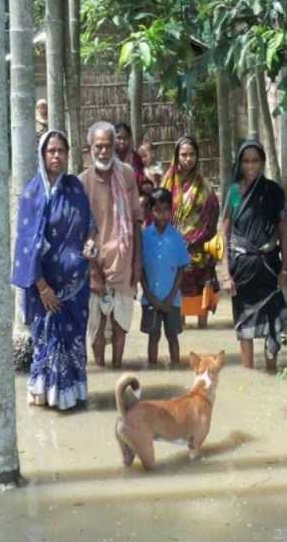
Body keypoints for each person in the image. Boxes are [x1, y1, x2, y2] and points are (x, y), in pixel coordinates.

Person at [11, 129, 97, 411]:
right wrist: (42, 287)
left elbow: (90, 226)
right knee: (45, 342)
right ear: (42, 154)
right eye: (52, 151)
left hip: (76, 288)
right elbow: (25, 246)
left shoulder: (75, 189)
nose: (57, 156)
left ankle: (72, 394)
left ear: (68, 154)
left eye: (61, 151)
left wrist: (91, 243)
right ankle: (43, 394)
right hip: (44, 291)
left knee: (73, 342)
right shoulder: (32, 194)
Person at [219, 139, 287, 371]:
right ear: (240, 164)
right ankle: (249, 376)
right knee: (245, 326)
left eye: (255, 161)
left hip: (268, 266)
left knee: (272, 323)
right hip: (242, 269)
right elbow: (225, 231)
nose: (250, 166)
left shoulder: (272, 191)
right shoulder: (236, 192)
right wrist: (225, 272)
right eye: (246, 161)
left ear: (262, 163)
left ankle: (272, 371)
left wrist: (285, 267)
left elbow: (283, 231)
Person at [78, 121, 143, 369]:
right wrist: (92, 270)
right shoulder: (81, 182)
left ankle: (117, 370)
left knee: (120, 323)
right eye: (98, 147)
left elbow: (136, 219)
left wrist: (138, 262)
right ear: (90, 148)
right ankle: (101, 370)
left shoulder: (126, 174)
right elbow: (81, 230)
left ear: (116, 146)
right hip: (93, 262)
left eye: (108, 146)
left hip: (123, 261)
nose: (103, 152)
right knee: (95, 327)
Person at [160, 135, 221, 329]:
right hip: (173, 252)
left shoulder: (205, 188)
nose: (188, 159)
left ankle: (203, 339)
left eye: (192, 154)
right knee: (178, 307)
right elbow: (159, 215)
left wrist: (192, 241)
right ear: (176, 156)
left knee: (202, 308)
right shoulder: (167, 185)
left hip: (200, 252)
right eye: (184, 155)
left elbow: (211, 218)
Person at [140, 188, 191, 367]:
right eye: (157, 211)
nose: (162, 215)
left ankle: (176, 367)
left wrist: (170, 297)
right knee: (153, 337)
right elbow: (140, 271)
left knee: (172, 337)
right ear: (150, 211)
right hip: (150, 299)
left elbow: (181, 270)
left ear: (171, 211)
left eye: (166, 210)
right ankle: (153, 368)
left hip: (173, 300)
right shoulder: (144, 237)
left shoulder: (176, 237)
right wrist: (150, 296)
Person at [113, 121, 148, 190]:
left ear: (129, 139)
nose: (122, 141)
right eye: (119, 138)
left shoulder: (136, 158)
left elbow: (140, 178)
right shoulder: (109, 158)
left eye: (125, 138)